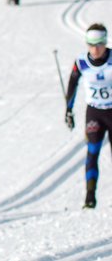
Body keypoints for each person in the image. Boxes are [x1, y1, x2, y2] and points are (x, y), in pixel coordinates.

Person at [64, 23, 111, 209]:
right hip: (95, 113)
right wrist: (68, 110)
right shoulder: (82, 62)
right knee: (92, 152)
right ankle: (90, 197)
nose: (95, 48)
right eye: (91, 44)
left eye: (99, 43)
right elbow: (72, 85)